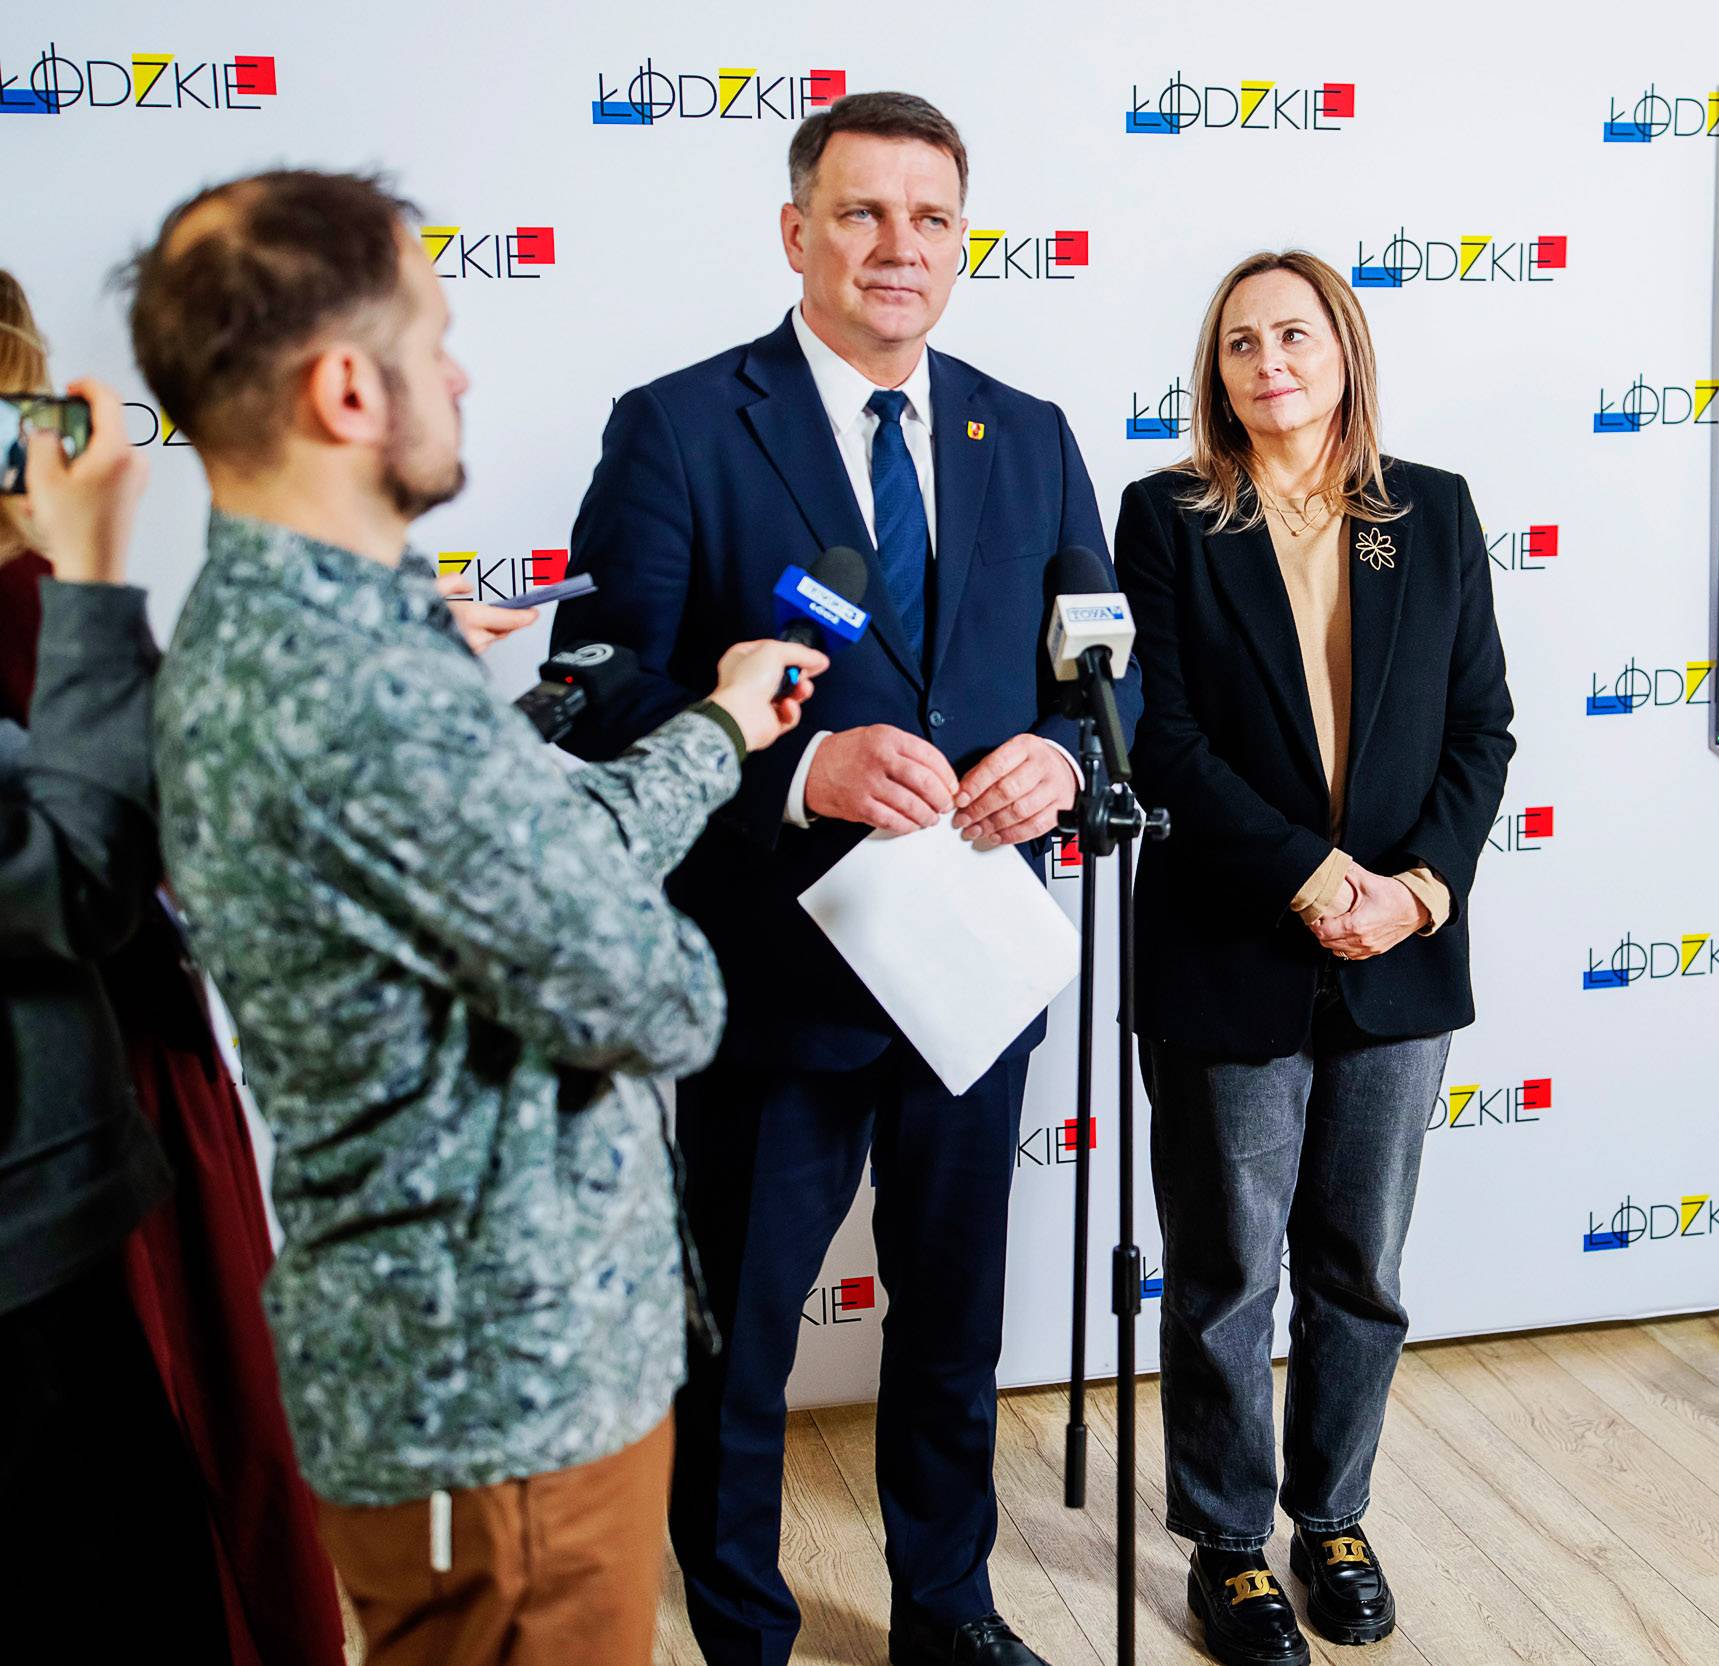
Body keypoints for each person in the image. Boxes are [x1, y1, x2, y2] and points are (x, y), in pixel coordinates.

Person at [137, 169, 828, 1666]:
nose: (457, 375)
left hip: (464, 1384)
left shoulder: (300, 628)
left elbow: (540, 857)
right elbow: (656, 994)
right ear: (346, 387)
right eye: (433, 340)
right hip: (502, 1411)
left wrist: (715, 727)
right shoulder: (367, 692)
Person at [554, 88, 1133, 1666]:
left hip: (972, 969)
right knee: (740, 1343)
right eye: (862, 211)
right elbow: (598, 684)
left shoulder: (1026, 430)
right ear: (795, 229)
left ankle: (948, 1608)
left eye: (929, 217)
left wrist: (1064, 757)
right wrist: (801, 768)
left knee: (952, 1325)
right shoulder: (681, 424)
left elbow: (1106, 667)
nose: (898, 245)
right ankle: (743, 1626)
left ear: (962, 240)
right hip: (772, 972)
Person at [1114, 251, 1514, 1666]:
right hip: (1232, 943)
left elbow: (1481, 731)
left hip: (1398, 952)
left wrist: (1418, 892)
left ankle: (1332, 1517)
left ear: (1344, 349)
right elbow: (1160, 738)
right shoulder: (1167, 516)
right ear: (1214, 373)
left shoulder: (1434, 509)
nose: (1269, 361)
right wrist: (1306, 872)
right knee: (1227, 1273)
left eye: (1294, 334)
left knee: (1361, 1265)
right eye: (1240, 343)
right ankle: (1229, 1545)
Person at [0, 274, 344, 1666]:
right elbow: (100, 865)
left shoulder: (40, 599)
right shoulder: (44, 602)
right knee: (161, 1465)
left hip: (115, 1083)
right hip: (85, 1116)